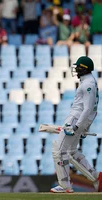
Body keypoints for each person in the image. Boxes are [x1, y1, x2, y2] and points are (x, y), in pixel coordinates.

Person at [50, 56, 102, 193]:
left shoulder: (88, 84)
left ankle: (65, 186)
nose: (76, 69)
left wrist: (78, 126)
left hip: (75, 119)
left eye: (78, 67)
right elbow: (92, 110)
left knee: (59, 152)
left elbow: (88, 108)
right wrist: (84, 126)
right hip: (78, 120)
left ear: (84, 68)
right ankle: (96, 176)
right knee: (71, 152)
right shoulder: (90, 81)